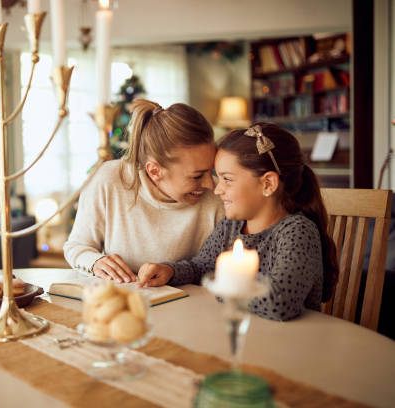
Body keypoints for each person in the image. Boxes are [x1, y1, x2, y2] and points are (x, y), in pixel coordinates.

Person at [137, 123, 339, 321]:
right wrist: (170, 271)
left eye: (227, 179)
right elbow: (202, 268)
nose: (217, 190)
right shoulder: (231, 226)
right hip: (244, 333)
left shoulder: (298, 232)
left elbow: (280, 302)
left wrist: (220, 287)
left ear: (268, 184)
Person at [64, 99, 225, 283]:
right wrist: (95, 262)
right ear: (155, 171)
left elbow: (215, 270)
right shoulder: (109, 180)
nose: (211, 185)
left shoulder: (219, 196)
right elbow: (76, 246)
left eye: (210, 171)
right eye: (197, 176)